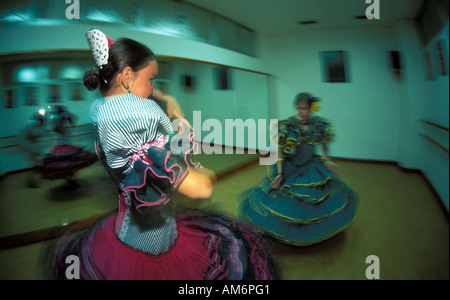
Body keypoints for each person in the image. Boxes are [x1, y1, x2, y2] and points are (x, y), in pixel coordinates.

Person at [47, 29, 276, 280]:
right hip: (147, 248)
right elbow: (200, 189)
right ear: (126, 77)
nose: (153, 88)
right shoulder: (135, 123)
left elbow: (164, 152)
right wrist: (205, 173)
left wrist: (166, 103)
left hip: (140, 230)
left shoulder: (107, 113)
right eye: (151, 79)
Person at [237, 92, 360, 246]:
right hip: (291, 167)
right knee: (283, 198)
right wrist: (280, 173)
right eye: (298, 108)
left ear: (311, 108)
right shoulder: (287, 126)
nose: (300, 112)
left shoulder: (318, 124)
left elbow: (323, 145)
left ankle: (311, 230)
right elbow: (280, 151)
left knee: (315, 197)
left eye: (304, 108)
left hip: (310, 165)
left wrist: (327, 160)